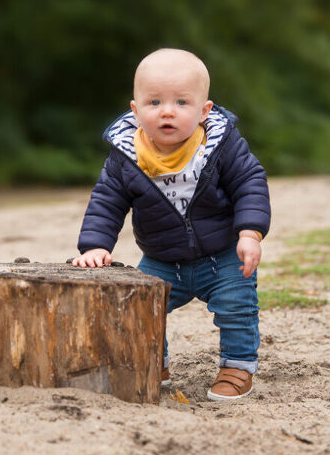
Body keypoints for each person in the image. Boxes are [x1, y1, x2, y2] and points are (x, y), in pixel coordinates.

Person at [71, 48, 271, 400]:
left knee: (237, 306)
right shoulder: (126, 155)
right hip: (162, 259)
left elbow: (250, 183)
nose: (167, 111)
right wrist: (95, 246)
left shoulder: (219, 144)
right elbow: (106, 200)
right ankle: (152, 362)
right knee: (140, 306)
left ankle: (237, 366)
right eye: (154, 102)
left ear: (203, 110)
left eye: (181, 102)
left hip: (222, 255)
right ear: (135, 110)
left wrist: (250, 232)